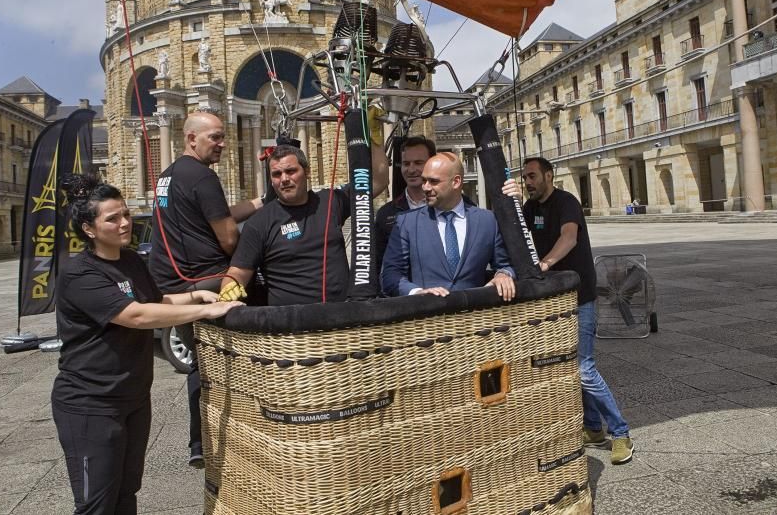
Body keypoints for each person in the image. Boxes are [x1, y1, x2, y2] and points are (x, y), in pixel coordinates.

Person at [52, 174, 242, 515]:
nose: (125, 223)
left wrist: (193, 294)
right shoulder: (79, 273)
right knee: (97, 502)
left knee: (127, 493)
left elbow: (155, 302)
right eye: (113, 218)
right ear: (89, 228)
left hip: (134, 397)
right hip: (90, 404)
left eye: (125, 213)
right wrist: (206, 309)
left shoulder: (130, 262)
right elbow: (135, 315)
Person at [148, 111, 264, 467]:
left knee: (202, 363)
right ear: (191, 138)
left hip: (173, 286)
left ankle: (199, 443)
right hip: (210, 282)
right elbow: (228, 237)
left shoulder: (169, 177)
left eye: (223, 136)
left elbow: (214, 215)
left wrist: (261, 203)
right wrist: (257, 251)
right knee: (260, 339)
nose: (222, 143)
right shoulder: (203, 176)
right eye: (214, 137)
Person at [516, 157, 633, 465]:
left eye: (532, 176)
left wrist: (545, 264)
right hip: (552, 301)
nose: (527, 181)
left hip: (579, 298)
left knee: (583, 367)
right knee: (569, 367)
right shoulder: (529, 209)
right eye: (524, 177)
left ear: (548, 176)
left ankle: (621, 433)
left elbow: (569, 238)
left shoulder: (567, 202)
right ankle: (593, 428)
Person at [223, 142, 389, 305]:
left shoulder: (331, 201)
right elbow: (238, 272)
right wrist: (230, 286)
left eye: (291, 171)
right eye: (277, 174)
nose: (284, 179)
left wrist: (375, 139)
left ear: (307, 172)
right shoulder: (259, 223)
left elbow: (378, 182)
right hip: (291, 324)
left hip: (341, 318)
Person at [381, 153, 515, 299]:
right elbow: (390, 275)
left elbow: (506, 264)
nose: (425, 187)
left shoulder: (487, 221)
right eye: (424, 180)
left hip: (476, 317)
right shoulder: (406, 223)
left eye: (433, 181)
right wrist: (417, 292)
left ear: (456, 182)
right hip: (427, 317)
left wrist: (503, 275)